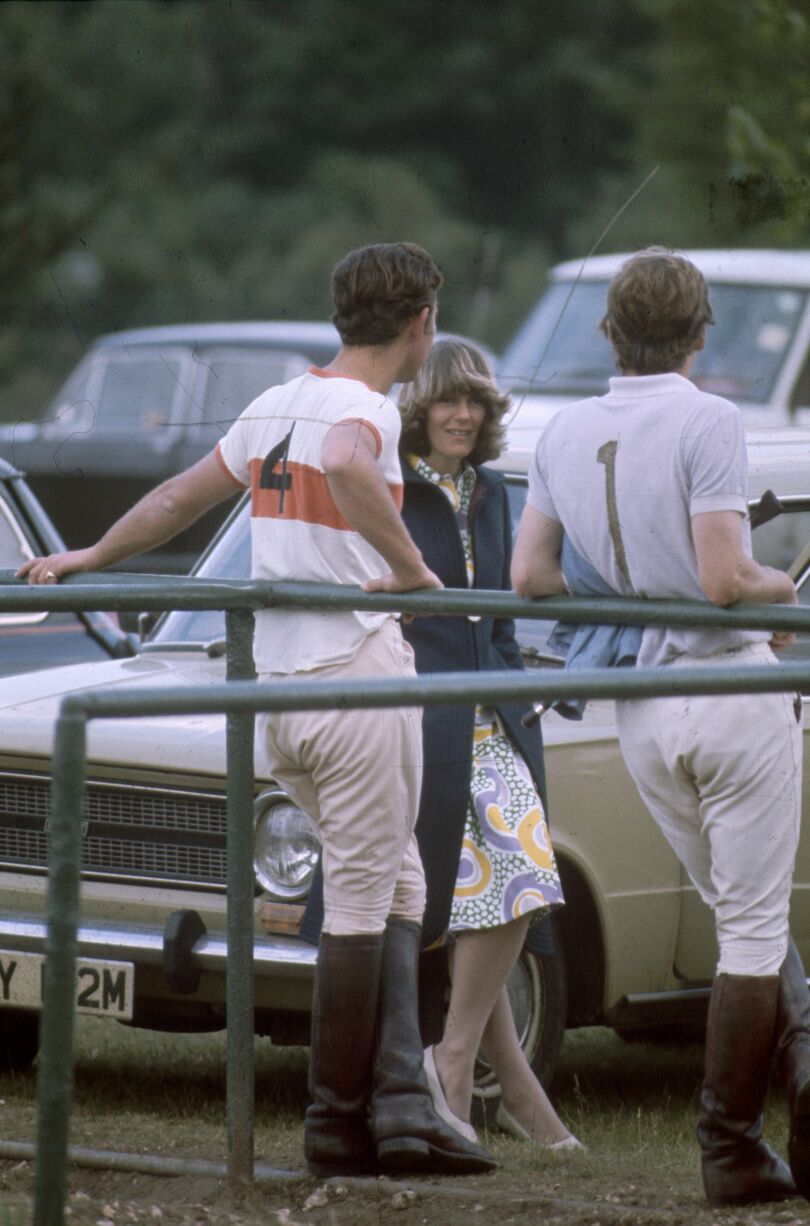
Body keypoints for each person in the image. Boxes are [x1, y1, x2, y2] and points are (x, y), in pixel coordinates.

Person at [17, 242, 494, 1180]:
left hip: (280, 692)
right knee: (365, 896)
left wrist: (90, 556)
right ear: (420, 325)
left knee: (397, 882)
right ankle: (336, 1123)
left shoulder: (276, 403)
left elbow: (177, 498)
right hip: (354, 676)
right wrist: (411, 569)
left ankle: (402, 1107)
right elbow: (349, 463)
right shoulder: (365, 411)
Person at [511, 247, 810, 1205]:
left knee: (739, 911)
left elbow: (530, 576)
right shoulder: (708, 418)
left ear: (609, 331)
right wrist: (781, 588)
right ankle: (730, 1146)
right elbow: (725, 578)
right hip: (727, 687)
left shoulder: (564, 429)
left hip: (643, 703)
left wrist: (631, 578)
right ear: (700, 333)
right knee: (752, 931)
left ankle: (788, 1089)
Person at [390, 338, 580, 1150]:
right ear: (420, 408)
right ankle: (479, 1078)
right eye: (447, 400)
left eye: (475, 401)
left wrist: (516, 700)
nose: (463, 415)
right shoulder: (394, 487)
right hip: (424, 718)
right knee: (502, 885)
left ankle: (460, 1068)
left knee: (514, 881)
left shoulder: (494, 491)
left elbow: (500, 620)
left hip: (493, 716)